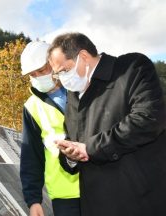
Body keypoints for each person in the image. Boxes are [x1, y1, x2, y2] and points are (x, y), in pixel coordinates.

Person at [47, 32, 166, 216]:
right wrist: (70, 156)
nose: (62, 79)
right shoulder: (74, 95)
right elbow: (73, 140)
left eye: (64, 70)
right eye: (57, 74)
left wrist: (91, 148)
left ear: (84, 57)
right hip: (96, 204)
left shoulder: (131, 69)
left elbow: (148, 118)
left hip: (141, 199)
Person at [19, 41, 80, 216]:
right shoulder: (32, 107)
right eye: (33, 74)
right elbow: (31, 155)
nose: (38, 76)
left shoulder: (81, 88)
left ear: (54, 62)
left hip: (102, 184)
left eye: (42, 70)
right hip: (66, 196)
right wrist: (33, 200)